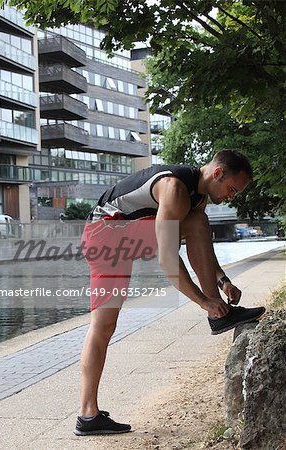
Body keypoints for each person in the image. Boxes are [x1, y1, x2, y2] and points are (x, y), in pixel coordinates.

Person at [74, 149, 265, 436]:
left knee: (198, 222)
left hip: (127, 232)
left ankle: (219, 316)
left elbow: (198, 241)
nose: (231, 197)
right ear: (217, 173)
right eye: (231, 189)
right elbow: (167, 257)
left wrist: (222, 280)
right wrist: (203, 301)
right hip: (103, 235)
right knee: (103, 327)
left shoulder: (197, 197)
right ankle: (87, 414)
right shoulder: (175, 188)